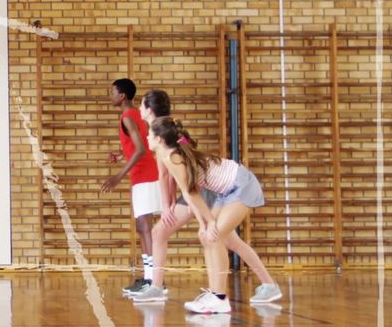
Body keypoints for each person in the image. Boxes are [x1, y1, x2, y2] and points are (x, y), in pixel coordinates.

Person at [131, 90, 281, 304]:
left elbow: (186, 187)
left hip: (232, 186)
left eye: (142, 105)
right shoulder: (167, 142)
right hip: (217, 189)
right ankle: (259, 286)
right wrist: (200, 219)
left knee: (213, 236)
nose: (139, 110)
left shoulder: (167, 148)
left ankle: (217, 296)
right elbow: (185, 185)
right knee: (219, 238)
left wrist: (197, 217)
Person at [102, 78, 162, 295]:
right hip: (144, 174)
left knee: (145, 227)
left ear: (122, 96)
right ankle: (149, 278)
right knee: (142, 226)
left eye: (112, 92)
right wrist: (121, 155)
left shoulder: (127, 117)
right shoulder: (135, 114)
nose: (110, 96)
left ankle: (153, 280)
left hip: (144, 176)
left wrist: (117, 177)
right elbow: (141, 144)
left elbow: (140, 150)